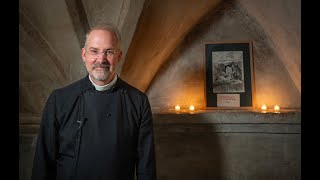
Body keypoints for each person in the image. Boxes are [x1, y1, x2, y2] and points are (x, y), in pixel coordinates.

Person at [31, 23, 157, 180]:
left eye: (109, 52)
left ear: (119, 56)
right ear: (84, 55)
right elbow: (43, 164)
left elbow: (146, 168)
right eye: (94, 51)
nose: (101, 59)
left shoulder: (138, 102)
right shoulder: (59, 99)